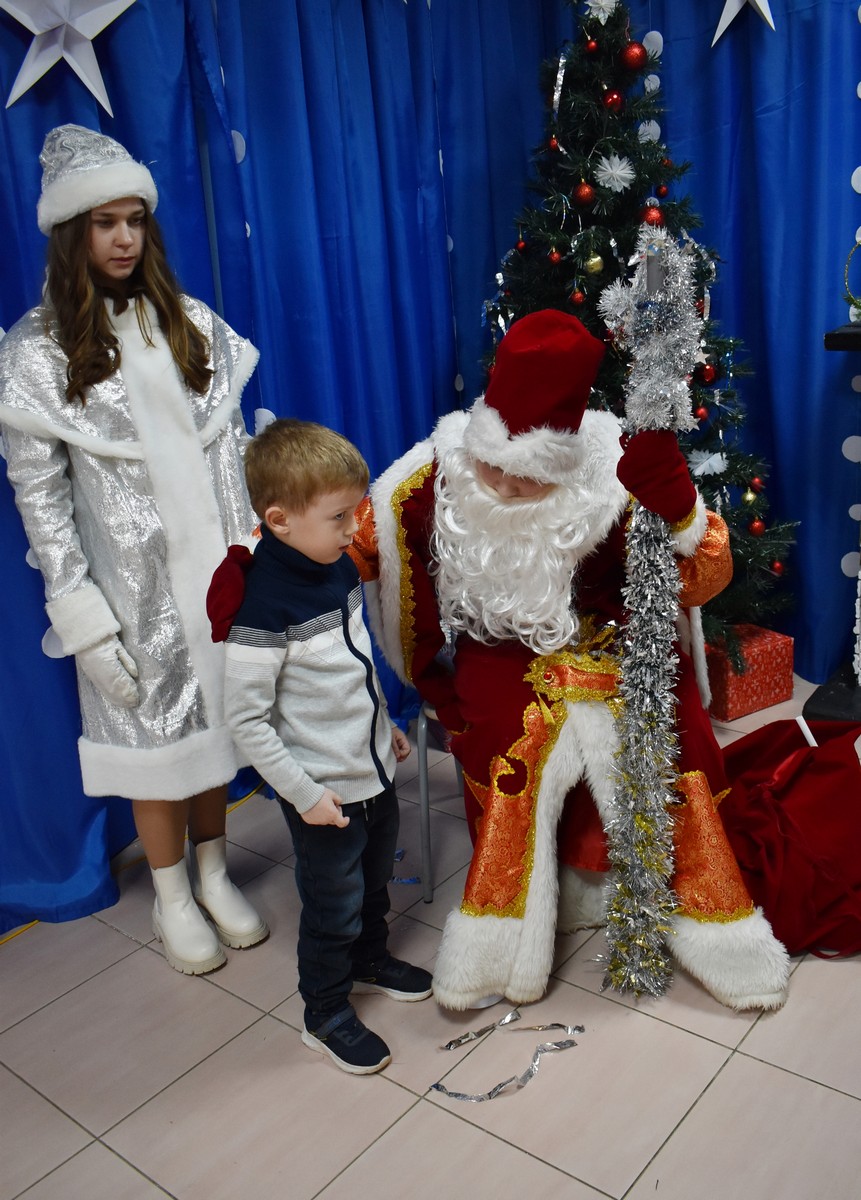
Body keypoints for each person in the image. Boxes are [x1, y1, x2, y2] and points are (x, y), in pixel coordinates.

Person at [350, 308, 790, 1012]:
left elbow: (705, 576)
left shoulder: (616, 476)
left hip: (618, 643)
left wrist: (679, 510)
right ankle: (500, 945)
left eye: (525, 477)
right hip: (500, 648)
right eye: (491, 465)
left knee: (667, 736)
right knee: (511, 751)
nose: (501, 485)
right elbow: (350, 552)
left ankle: (712, 927)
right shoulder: (423, 484)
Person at [0, 124, 268, 976]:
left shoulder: (190, 325)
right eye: (103, 222)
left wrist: (253, 553)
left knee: (218, 721)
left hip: (217, 574)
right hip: (131, 588)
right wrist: (79, 610)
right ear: (70, 232)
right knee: (155, 739)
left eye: (134, 220)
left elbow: (233, 454)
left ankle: (215, 872)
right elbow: (40, 498)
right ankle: (173, 892)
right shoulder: (36, 352)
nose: (123, 238)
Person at [210, 418, 432, 1075]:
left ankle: (370, 960)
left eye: (355, 513)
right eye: (339, 518)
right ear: (279, 520)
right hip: (323, 793)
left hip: (372, 768)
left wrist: (384, 724)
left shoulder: (334, 568)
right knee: (332, 905)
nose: (352, 530)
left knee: (373, 881)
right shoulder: (262, 610)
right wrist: (305, 796)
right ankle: (326, 1012)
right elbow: (247, 721)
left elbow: (352, 666)